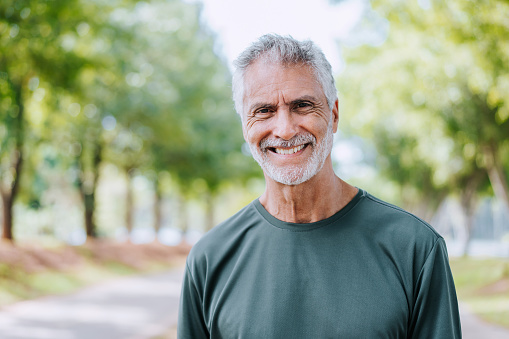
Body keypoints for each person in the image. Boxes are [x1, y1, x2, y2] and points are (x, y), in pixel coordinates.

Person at [178, 34, 461, 338]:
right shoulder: (210, 259)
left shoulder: (414, 248)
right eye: (264, 110)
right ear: (245, 126)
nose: (285, 130)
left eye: (302, 106)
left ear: (334, 114)